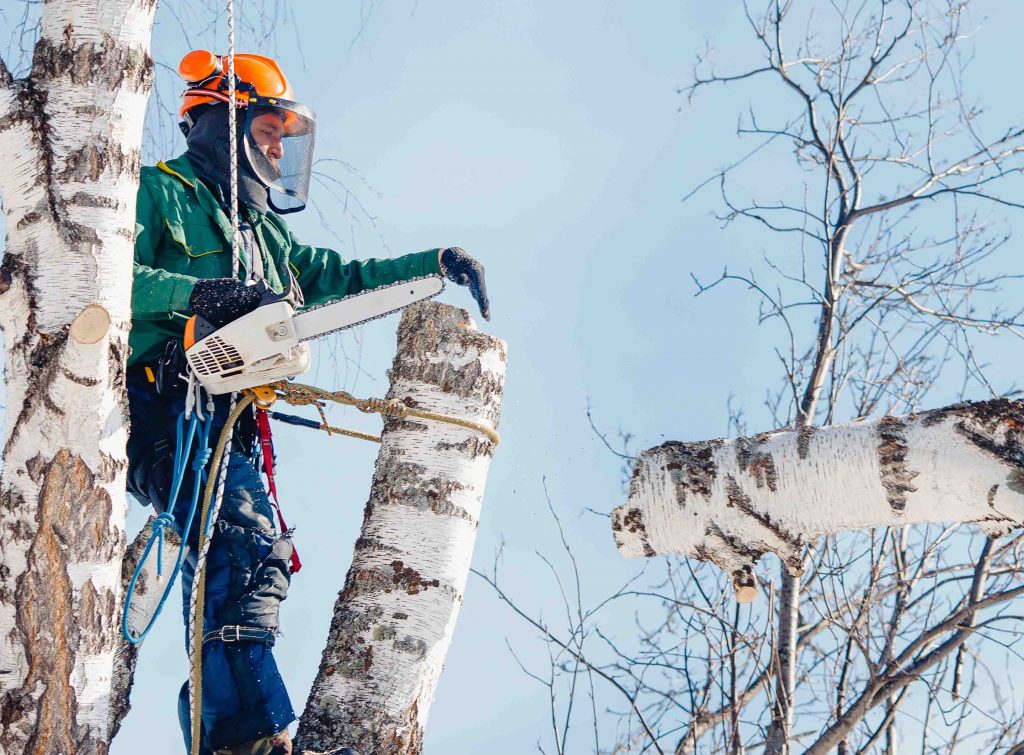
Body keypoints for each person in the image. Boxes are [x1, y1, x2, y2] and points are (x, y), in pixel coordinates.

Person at [127, 50, 490, 755]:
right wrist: (197, 295)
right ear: (219, 121)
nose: (273, 147)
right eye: (264, 130)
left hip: (227, 421)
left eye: (280, 139)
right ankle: (248, 738)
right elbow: (109, 277)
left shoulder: (263, 235)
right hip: (163, 404)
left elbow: (338, 277)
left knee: (260, 555)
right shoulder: (156, 191)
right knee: (244, 543)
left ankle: (231, 734)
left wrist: (432, 264)